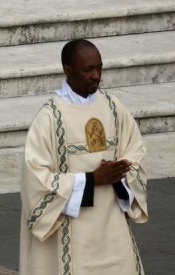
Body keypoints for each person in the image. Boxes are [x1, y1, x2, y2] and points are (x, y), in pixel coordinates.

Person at [20, 39, 147, 274]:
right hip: (71, 229)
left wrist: (120, 172)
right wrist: (91, 180)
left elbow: (135, 150)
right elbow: (35, 179)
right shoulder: (50, 117)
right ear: (67, 70)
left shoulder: (112, 107)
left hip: (112, 226)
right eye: (88, 69)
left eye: (99, 68)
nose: (96, 75)